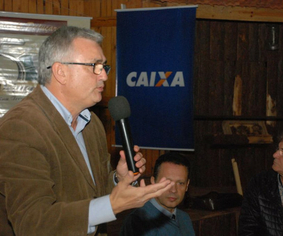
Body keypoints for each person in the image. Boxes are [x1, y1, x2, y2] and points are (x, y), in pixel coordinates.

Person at [0, 26, 173, 236]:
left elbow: (92, 193)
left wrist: (118, 179)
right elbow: (32, 222)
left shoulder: (92, 124)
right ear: (60, 72)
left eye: (104, 67)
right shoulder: (22, 126)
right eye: (94, 66)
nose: (104, 77)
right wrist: (112, 205)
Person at [119, 152, 195, 236]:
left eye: (180, 183)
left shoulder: (184, 218)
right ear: (153, 181)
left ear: (187, 185)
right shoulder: (138, 221)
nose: (173, 190)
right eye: (167, 182)